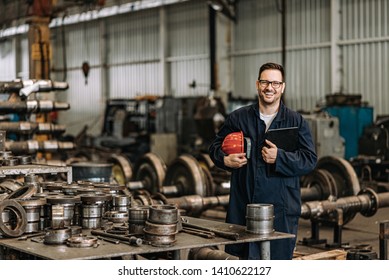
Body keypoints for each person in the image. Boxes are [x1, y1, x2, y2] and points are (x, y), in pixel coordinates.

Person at [208, 62, 317, 260]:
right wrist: (226, 159)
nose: (270, 88)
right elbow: (214, 148)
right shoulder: (238, 118)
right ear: (258, 84)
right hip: (243, 207)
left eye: (275, 83)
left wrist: (280, 157)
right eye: (265, 82)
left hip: (281, 211)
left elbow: (309, 160)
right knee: (241, 263)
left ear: (282, 87)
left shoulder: (296, 121)